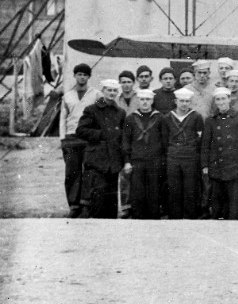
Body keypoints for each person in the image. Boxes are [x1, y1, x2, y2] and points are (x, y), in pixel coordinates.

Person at [76, 78, 126, 219]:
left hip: (114, 161)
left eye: (115, 90)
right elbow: (81, 130)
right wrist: (100, 134)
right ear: (103, 91)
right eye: (109, 90)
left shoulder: (120, 112)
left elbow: (122, 136)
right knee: (98, 197)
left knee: (111, 200)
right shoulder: (91, 110)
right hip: (97, 160)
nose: (112, 93)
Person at [202, 87, 238, 220]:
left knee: (234, 201)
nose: (221, 102)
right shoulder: (211, 120)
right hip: (216, 164)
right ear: (215, 101)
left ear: (229, 99)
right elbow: (206, 144)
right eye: (218, 99)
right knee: (217, 200)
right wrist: (204, 164)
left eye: (223, 98)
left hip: (233, 164)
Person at [121, 88, 166, 220]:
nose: (145, 102)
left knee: (154, 191)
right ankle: (138, 219)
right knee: (137, 192)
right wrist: (127, 161)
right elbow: (125, 141)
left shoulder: (160, 118)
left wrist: (162, 160)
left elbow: (164, 141)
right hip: (137, 160)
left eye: (147, 99)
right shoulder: (131, 118)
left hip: (154, 160)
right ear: (138, 101)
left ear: (152, 101)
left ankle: (153, 219)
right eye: (142, 99)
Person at [60, 62, 97, 217]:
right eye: (79, 74)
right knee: (72, 172)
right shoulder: (67, 95)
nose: (82, 77)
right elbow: (63, 118)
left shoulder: (96, 94)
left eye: (85, 75)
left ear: (89, 77)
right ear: (75, 76)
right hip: (71, 137)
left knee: (89, 171)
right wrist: (62, 138)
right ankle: (74, 205)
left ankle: (86, 203)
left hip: (88, 138)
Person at [165, 87, 204, 219]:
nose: (184, 104)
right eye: (181, 101)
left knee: (190, 189)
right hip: (173, 158)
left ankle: (190, 217)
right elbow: (165, 138)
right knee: (174, 189)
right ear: (176, 101)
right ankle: (174, 217)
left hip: (190, 158)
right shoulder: (168, 117)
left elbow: (200, 138)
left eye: (187, 101)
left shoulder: (196, 117)